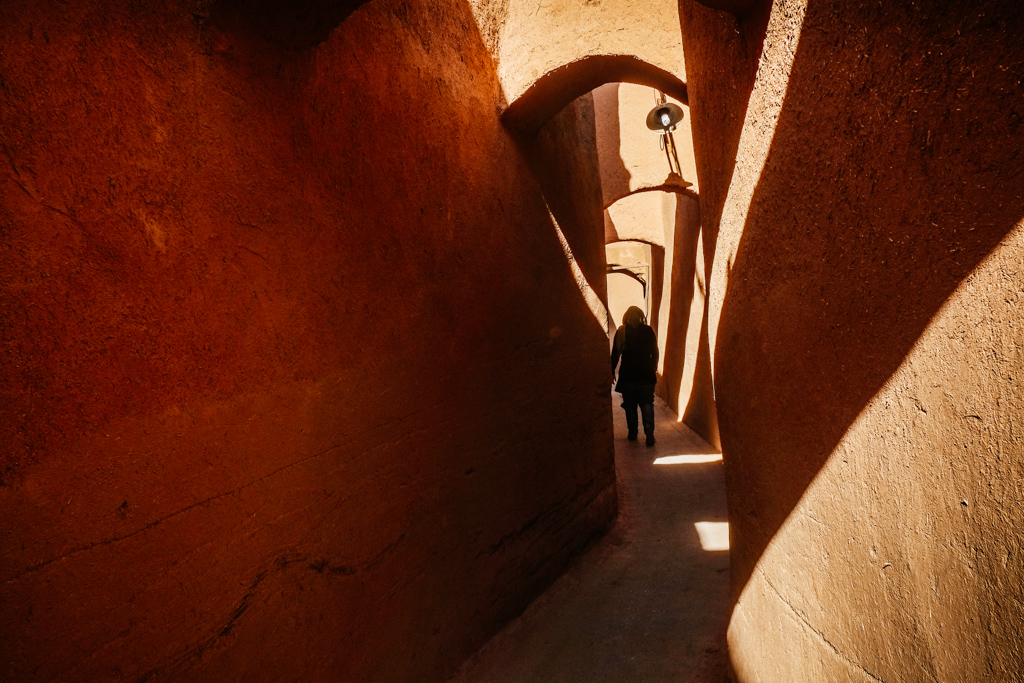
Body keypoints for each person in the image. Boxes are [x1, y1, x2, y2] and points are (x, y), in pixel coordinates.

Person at [610, 306, 659, 446]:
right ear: (640, 317)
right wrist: (654, 367)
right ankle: (649, 432)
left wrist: (611, 371)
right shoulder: (648, 330)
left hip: (628, 374)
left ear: (626, 318)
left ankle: (632, 433)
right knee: (647, 403)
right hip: (647, 374)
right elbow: (655, 351)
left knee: (630, 405)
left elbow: (615, 353)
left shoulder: (622, 331)